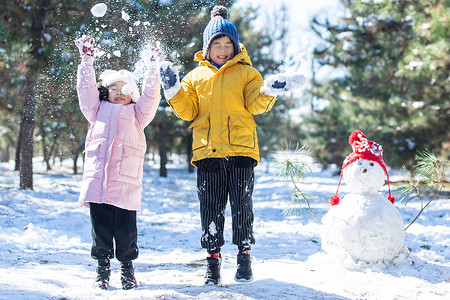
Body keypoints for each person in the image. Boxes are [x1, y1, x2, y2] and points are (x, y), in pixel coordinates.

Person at [158, 6, 305, 285]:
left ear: (236, 46)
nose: (223, 49)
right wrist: (174, 90)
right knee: (211, 207)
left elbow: (255, 104)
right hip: (207, 151)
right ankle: (212, 261)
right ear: (207, 47)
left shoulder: (247, 73)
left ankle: (244, 256)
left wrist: (268, 90)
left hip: (241, 150)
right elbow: (187, 111)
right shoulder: (195, 77)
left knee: (241, 205)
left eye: (228, 44)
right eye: (217, 44)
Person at [75, 35, 161, 290]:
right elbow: (85, 89)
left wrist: (153, 68)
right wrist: (86, 61)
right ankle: (102, 270)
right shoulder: (95, 110)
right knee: (100, 230)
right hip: (98, 181)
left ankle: (127, 269)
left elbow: (151, 95)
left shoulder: (138, 114)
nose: (119, 92)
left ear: (132, 93)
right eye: (114, 88)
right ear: (106, 92)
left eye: (125, 89)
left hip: (125, 183)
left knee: (126, 232)